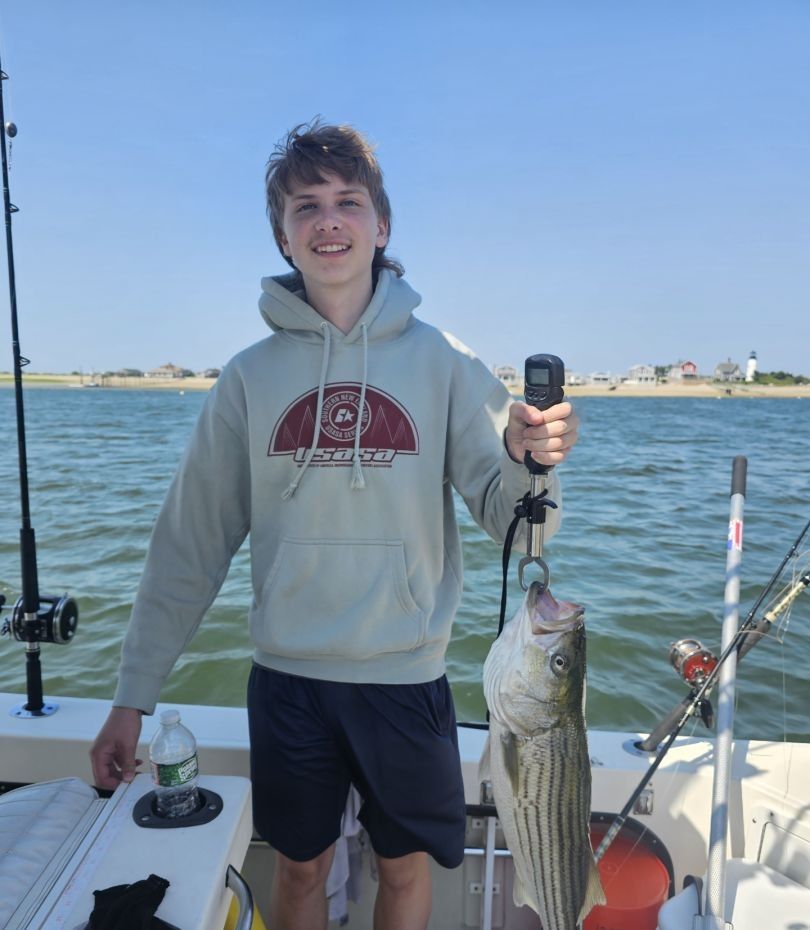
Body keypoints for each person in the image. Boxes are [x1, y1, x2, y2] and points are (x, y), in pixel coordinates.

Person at [90, 120, 579, 930]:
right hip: (288, 679)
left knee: (403, 872)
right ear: (282, 234)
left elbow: (518, 529)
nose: (328, 220)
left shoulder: (445, 362)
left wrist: (539, 463)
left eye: (348, 201)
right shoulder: (248, 379)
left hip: (406, 675)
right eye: (305, 204)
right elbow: (188, 546)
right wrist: (131, 697)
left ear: (381, 226)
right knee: (299, 871)